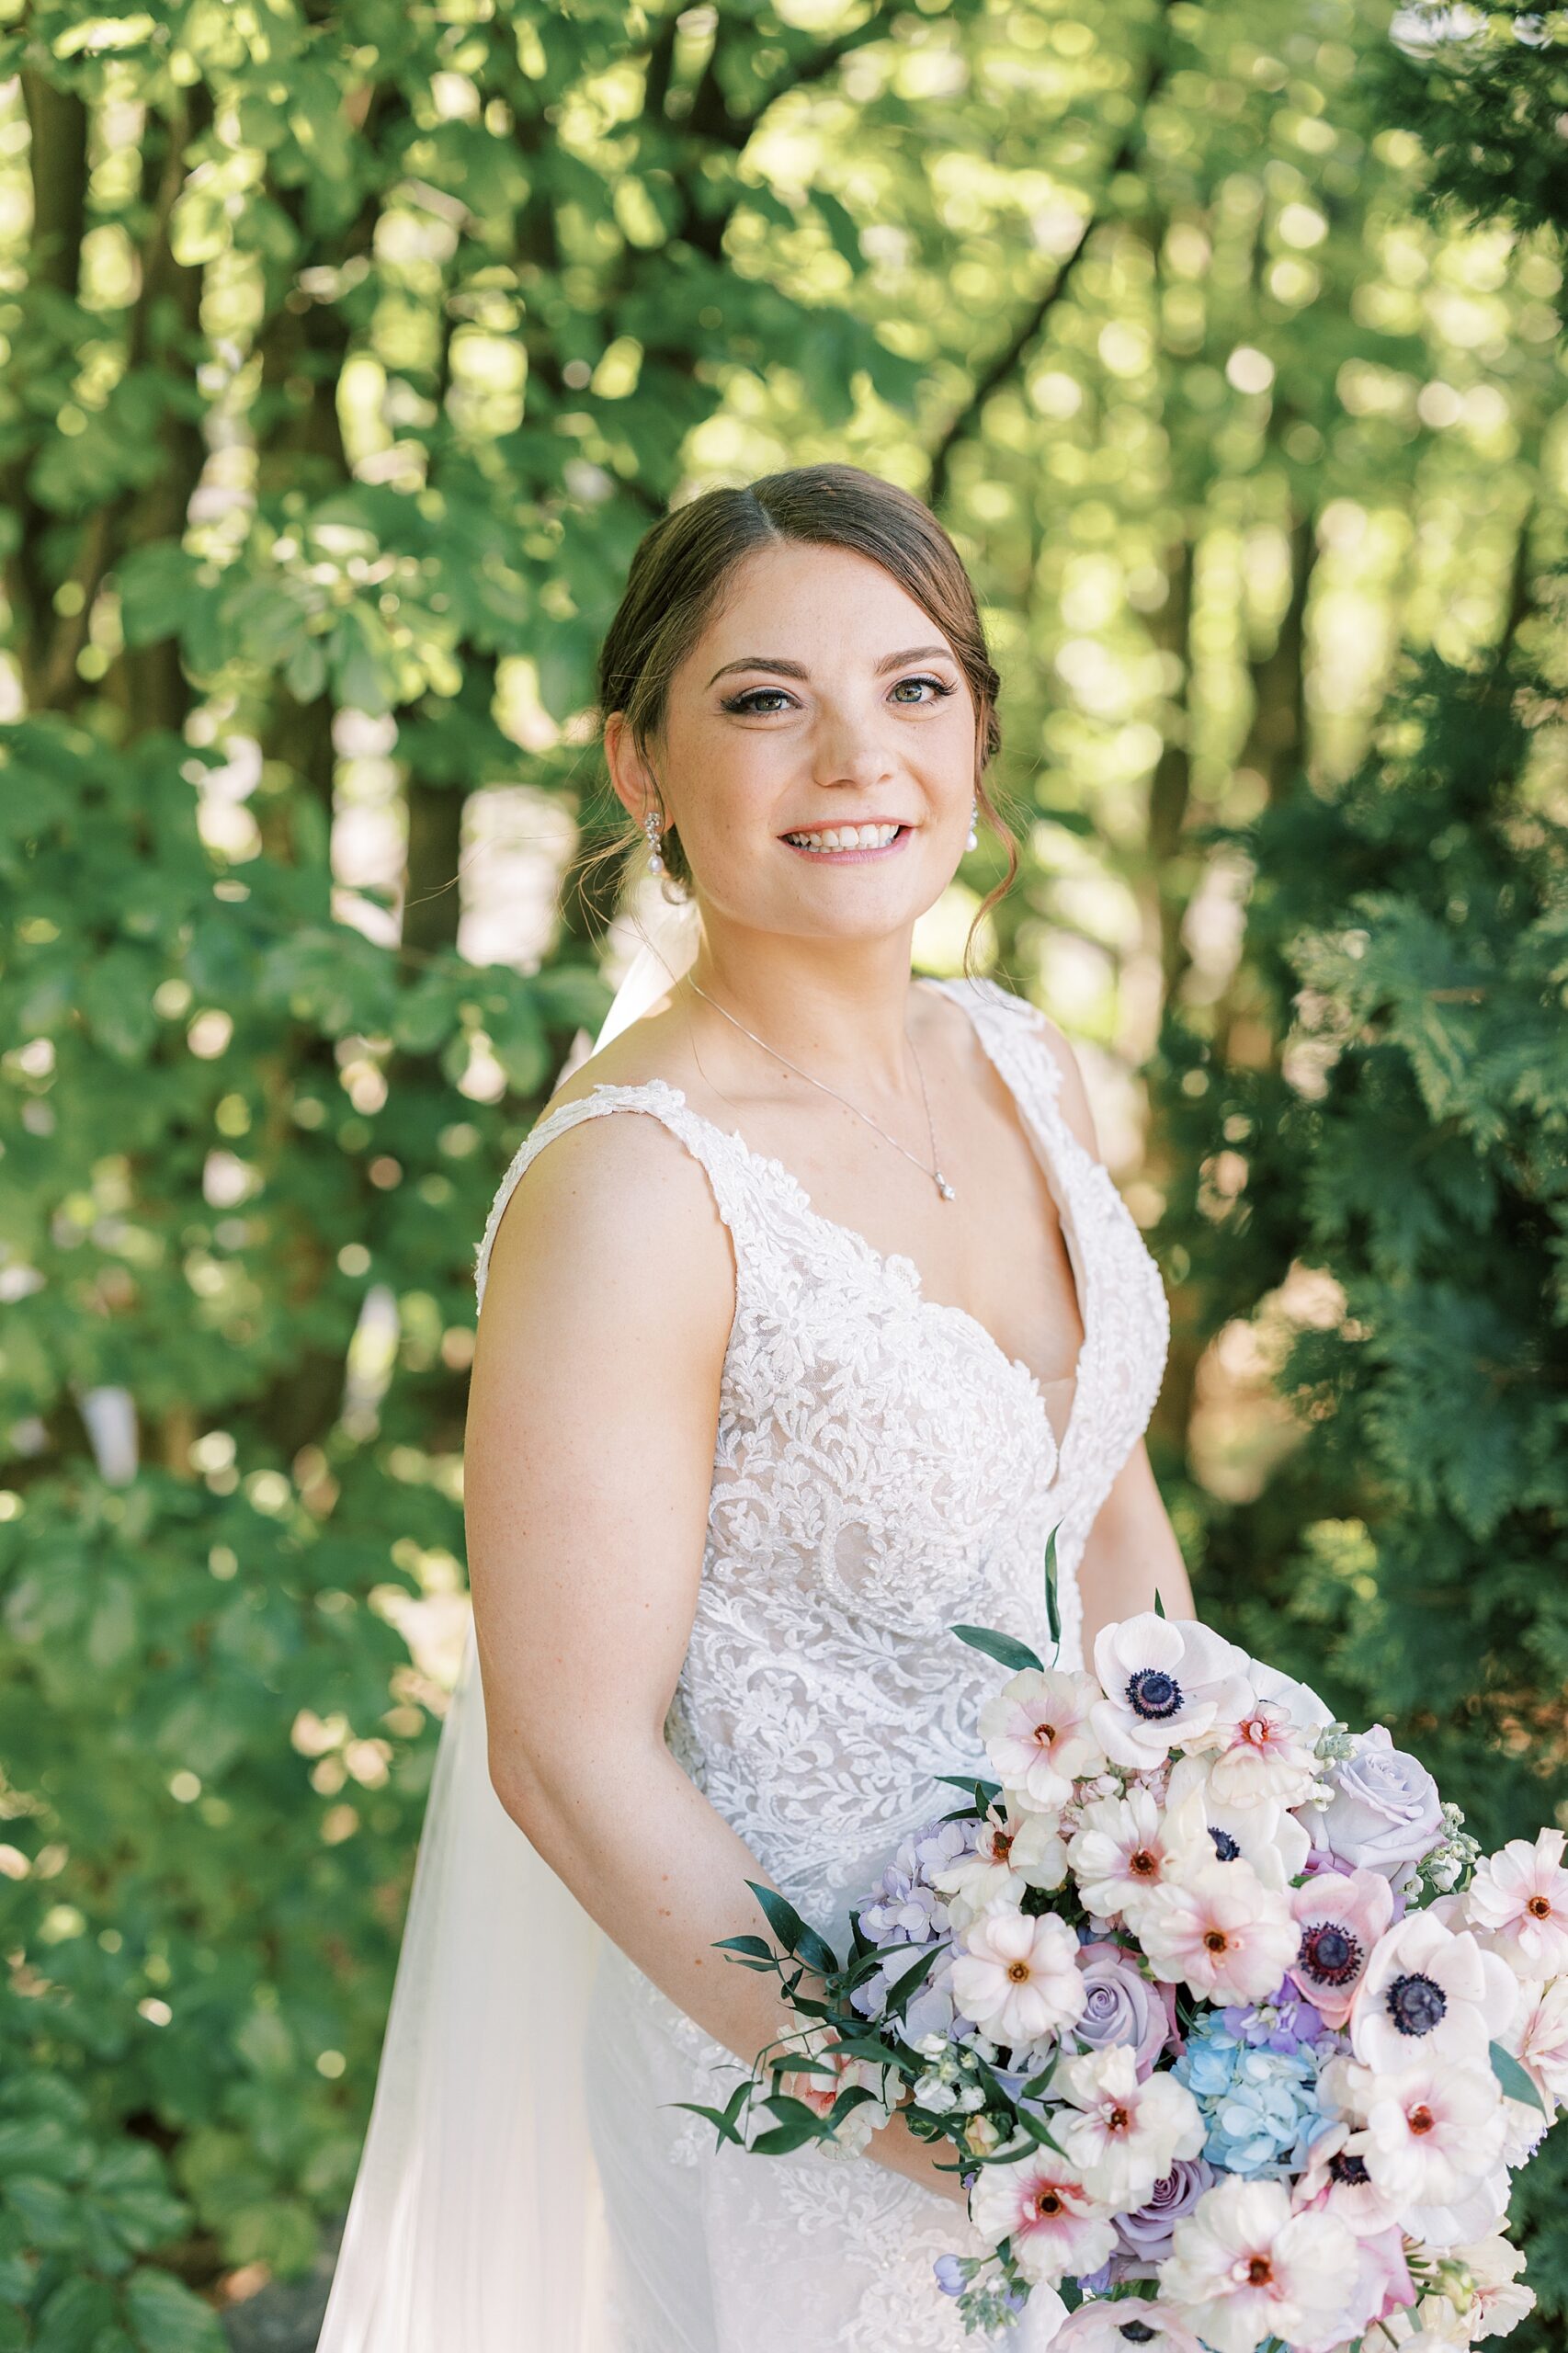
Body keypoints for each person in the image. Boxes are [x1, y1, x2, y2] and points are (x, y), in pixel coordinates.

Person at [316, 462, 1193, 2352]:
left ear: (974, 731)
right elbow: (566, 1751)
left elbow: (1102, 1512)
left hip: (1105, 2030)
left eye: (915, 686)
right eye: (764, 698)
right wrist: (930, 2113)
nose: (855, 756)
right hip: (809, 2096)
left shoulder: (1027, 1063)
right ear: (637, 762)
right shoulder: (635, 1188)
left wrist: (1215, 1893)